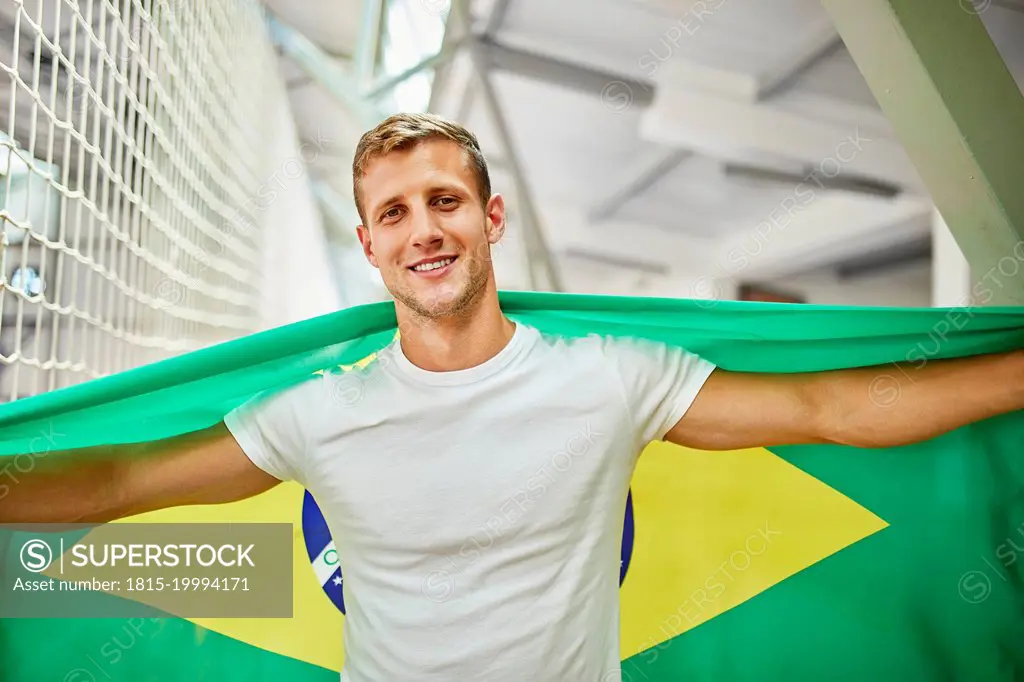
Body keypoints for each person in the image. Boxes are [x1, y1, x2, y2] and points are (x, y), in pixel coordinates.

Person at [2, 112, 1022, 682]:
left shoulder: (609, 377)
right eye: (393, 213)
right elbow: (121, 480)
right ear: (368, 245)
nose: (423, 230)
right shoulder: (319, 413)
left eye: (444, 201)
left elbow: (829, 412)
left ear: (489, 217)